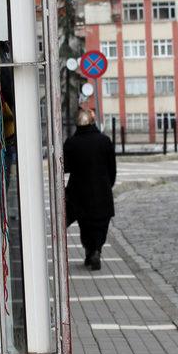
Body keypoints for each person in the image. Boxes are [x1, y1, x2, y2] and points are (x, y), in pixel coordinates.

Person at [63, 108, 116, 271]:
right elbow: (111, 168)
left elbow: (65, 167)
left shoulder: (71, 143)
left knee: (85, 225)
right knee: (100, 224)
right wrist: (108, 184)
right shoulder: (104, 141)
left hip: (79, 192)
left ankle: (90, 250)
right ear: (92, 123)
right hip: (101, 190)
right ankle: (96, 249)